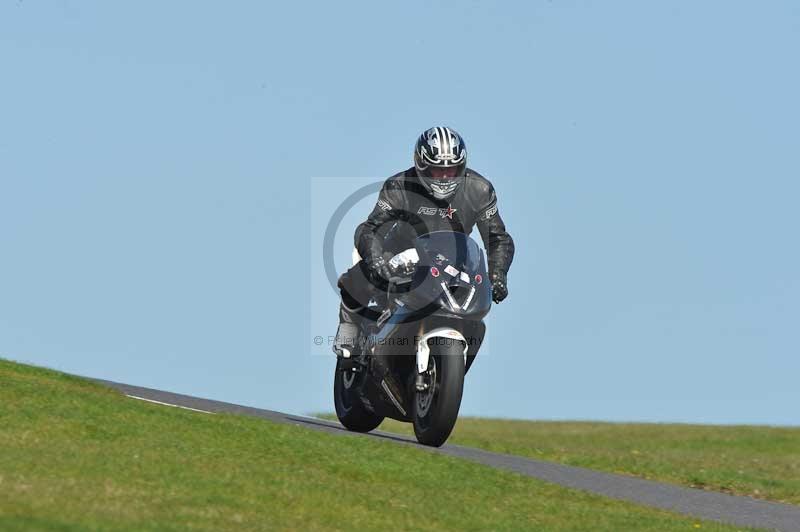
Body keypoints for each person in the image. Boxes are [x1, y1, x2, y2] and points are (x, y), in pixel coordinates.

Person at [333, 126, 515, 358]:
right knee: (360, 277)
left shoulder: (480, 190)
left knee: (475, 309)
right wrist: (376, 259)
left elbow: (498, 238)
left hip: (451, 262)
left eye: (451, 170)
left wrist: (498, 275)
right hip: (399, 254)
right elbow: (370, 228)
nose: (445, 178)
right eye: (437, 171)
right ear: (421, 164)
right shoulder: (399, 185)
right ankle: (349, 329)